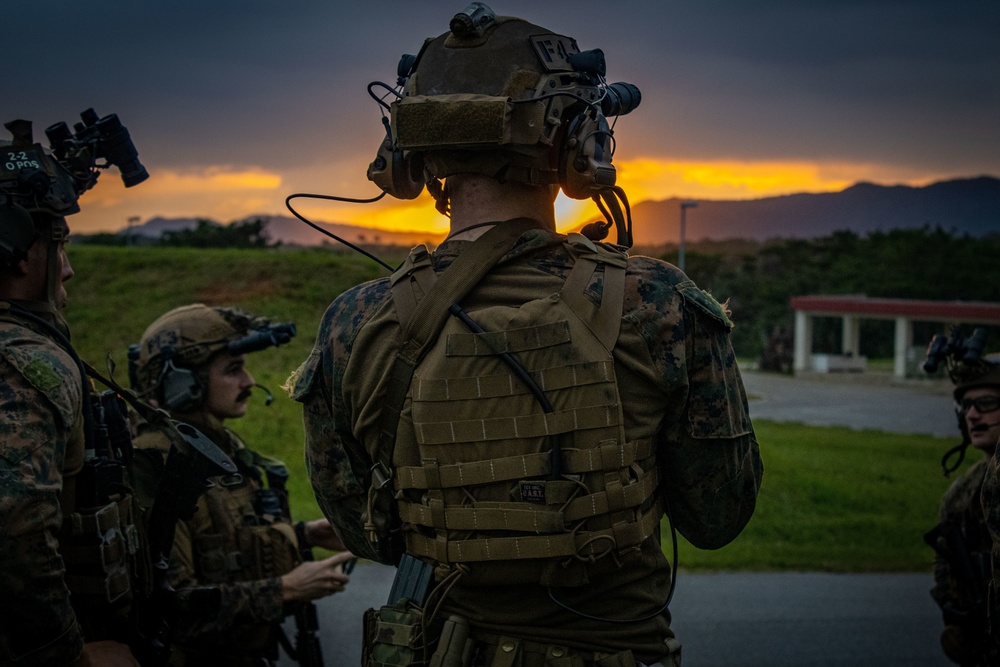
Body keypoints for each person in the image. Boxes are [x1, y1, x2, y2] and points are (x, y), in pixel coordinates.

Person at [291, 5, 763, 666]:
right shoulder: (658, 303)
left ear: (411, 148)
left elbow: (366, 532)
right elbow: (718, 516)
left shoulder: (354, 322)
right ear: (576, 139)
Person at [130, 303, 354, 666]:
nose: (249, 382)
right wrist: (285, 589)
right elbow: (171, 609)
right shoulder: (155, 467)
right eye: (233, 370)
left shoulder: (210, 447)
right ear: (182, 385)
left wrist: (304, 534)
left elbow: (220, 547)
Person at [0, 116, 146, 666]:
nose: (68, 270)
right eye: (56, 244)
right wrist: (68, 657)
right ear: (15, 250)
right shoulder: (23, 361)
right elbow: (15, 532)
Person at [927, 355, 1000, 666]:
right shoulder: (961, 494)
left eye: (985, 403)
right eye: (966, 406)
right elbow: (947, 578)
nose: (972, 415)